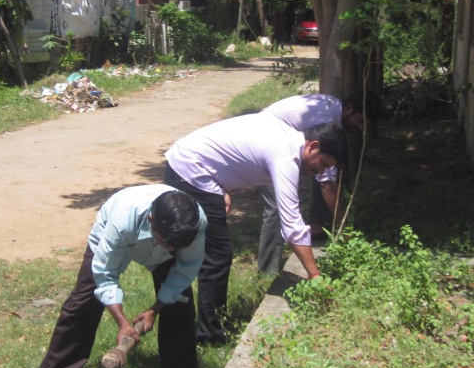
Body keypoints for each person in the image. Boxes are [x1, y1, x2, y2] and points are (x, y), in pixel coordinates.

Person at [18, 185, 207, 368]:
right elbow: (105, 273)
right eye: (168, 243)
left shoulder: (193, 224)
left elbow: (185, 269)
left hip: (166, 236)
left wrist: (154, 310)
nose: (173, 248)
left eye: (177, 245)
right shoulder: (122, 220)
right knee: (83, 301)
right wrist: (122, 322)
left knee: (179, 306)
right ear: (151, 220)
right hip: (118, 231)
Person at [163, 114, 348, 344]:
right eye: (323, 164)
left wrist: (221, 188)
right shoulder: (285, 156)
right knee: (216, 255)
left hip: (192, 162)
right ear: (313, 146)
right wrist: (315, 276)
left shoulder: (288, 138)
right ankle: (209, 335)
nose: (321, 172)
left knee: (203, 250)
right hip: (190, 168)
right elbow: (292, 226)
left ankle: (201, 324)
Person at [256, 91, 382, 274]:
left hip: (282, 143)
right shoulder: (326, 119)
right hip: (265, 141)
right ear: (349, 109)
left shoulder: (333, 110)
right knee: (278, 206)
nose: (360, 128)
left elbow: (328, 177)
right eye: (360, 121)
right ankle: (268, 270)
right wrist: (342, 225)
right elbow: (327, 184)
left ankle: (316, 230)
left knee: (322, 171)